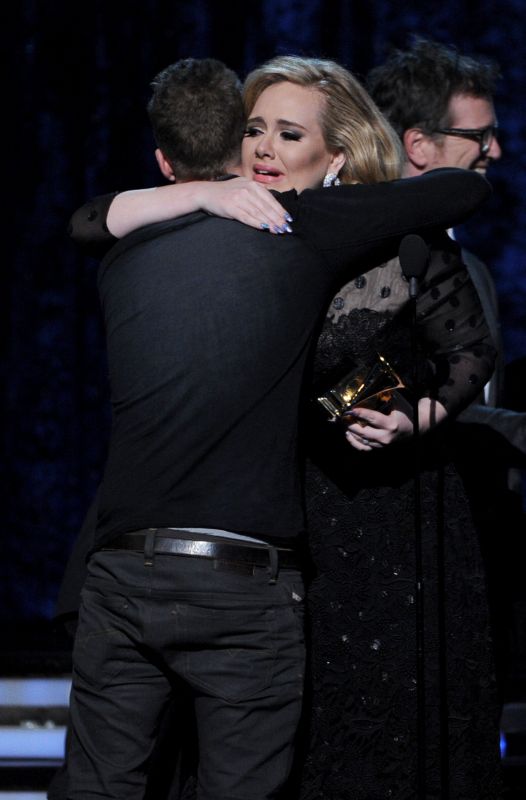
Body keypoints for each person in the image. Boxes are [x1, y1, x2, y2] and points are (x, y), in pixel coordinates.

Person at [63, 55, 493, 800]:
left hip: (362, 523)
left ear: (337, 156)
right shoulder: (219, 233)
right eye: (252, 129)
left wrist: (411, 416)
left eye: (288, 134)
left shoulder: (349, 230)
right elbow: (87, 221)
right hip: (253, 537)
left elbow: (465, 347)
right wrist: (208, 192)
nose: (263, 148)